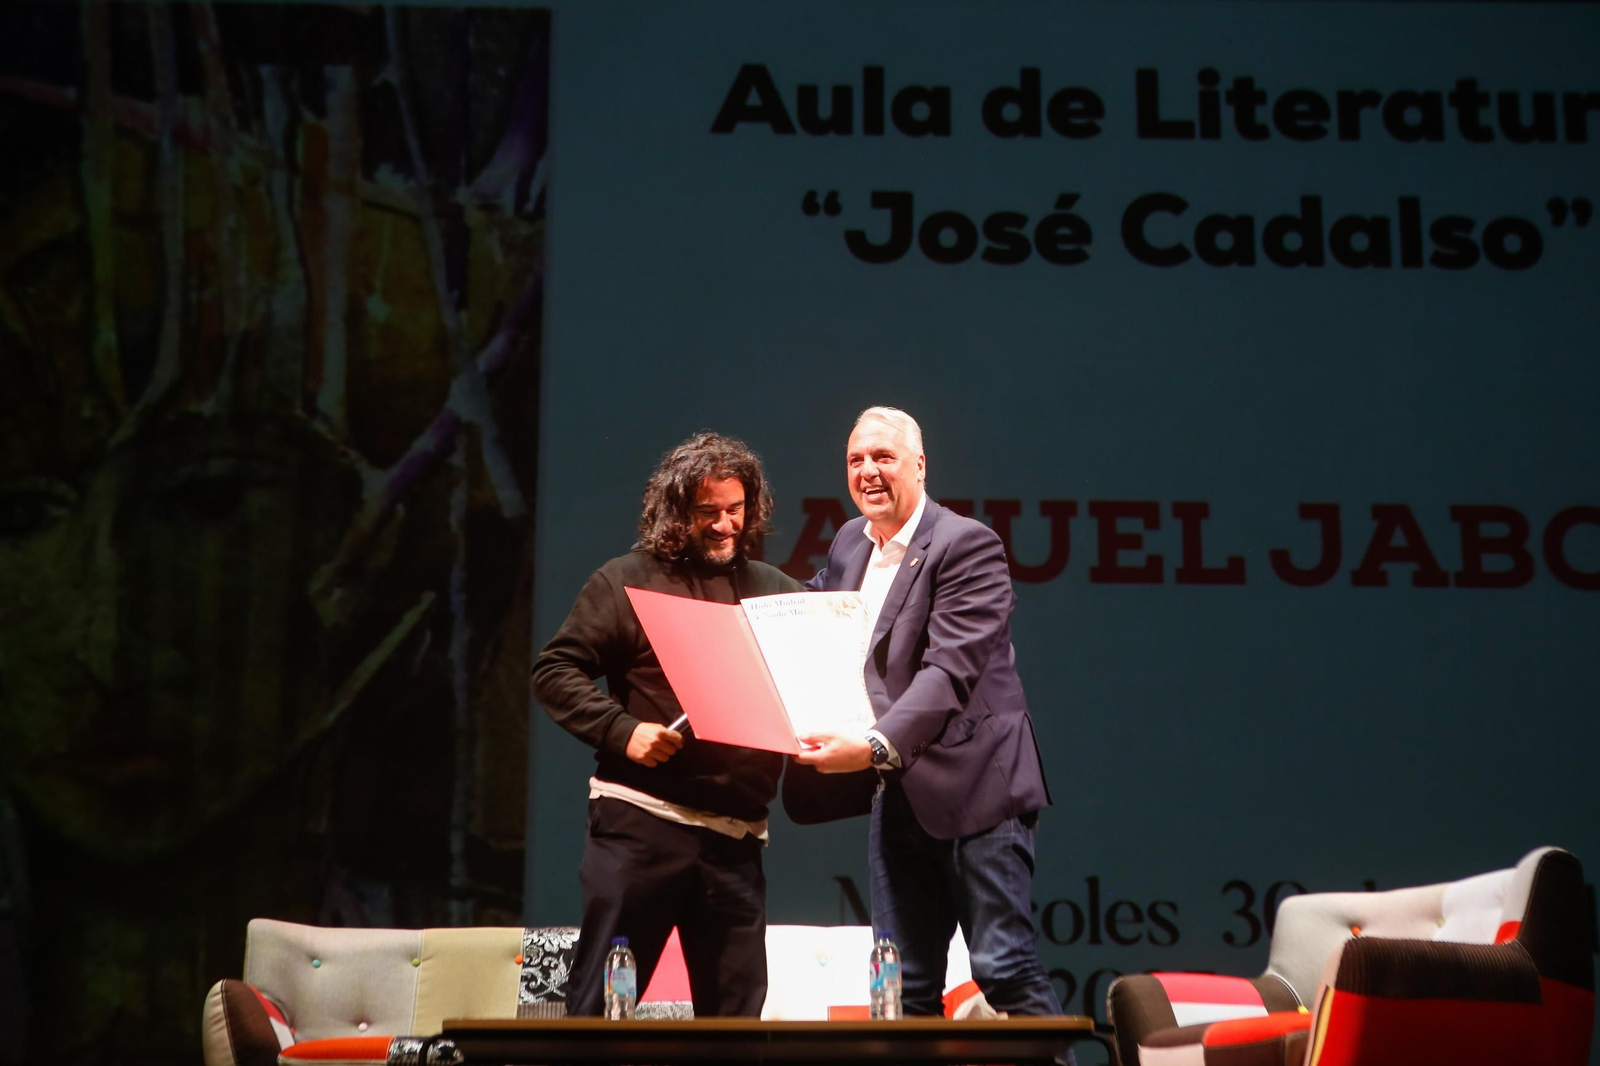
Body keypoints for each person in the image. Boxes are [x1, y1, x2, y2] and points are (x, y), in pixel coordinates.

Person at [794, 406, 1060, 1017]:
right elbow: (813, 611)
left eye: (883, 457)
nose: (868, 472)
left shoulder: (966, 544)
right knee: (903, 989)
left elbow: (949, 674)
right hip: (900, 795)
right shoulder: (848, 544)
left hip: (977, 790)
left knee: (1004, 968)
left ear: (920, 464)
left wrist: (872, 748)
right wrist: (737, 597)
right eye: (856, 460)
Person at [532, 431, 802, 1017]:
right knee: (601, 1014)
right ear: (675, 510)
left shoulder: (775, 593)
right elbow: (554, 671)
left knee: (735, 1028)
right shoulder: (625, 581)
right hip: (641, 829)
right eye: (709, 513)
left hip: (736, 841)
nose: (727, 525)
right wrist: (622, 730)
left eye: (737, 510)